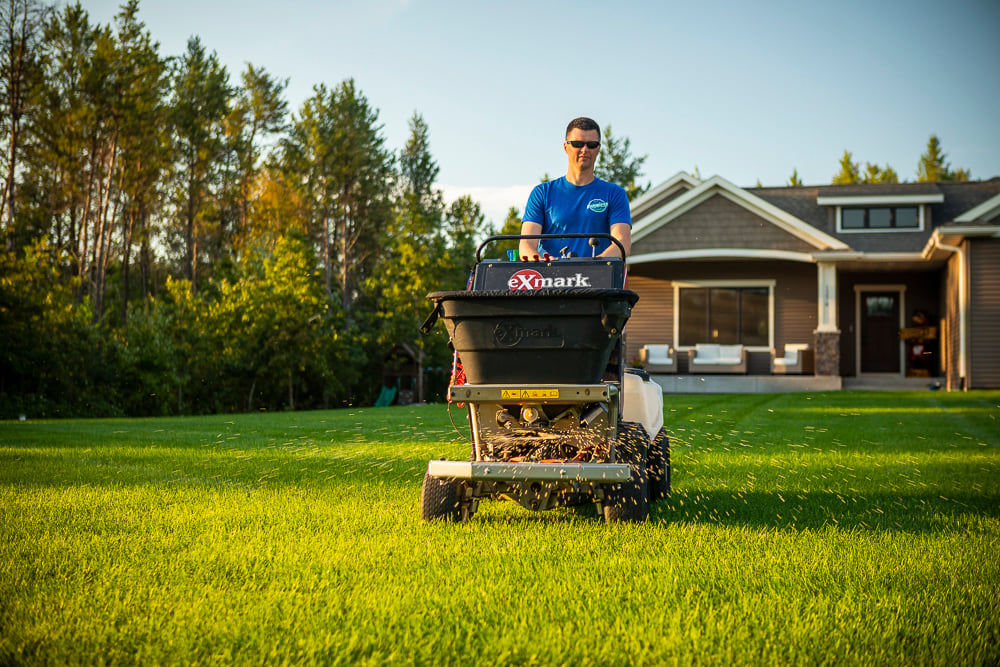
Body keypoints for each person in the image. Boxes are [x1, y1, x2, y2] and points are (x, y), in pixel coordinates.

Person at [519, 117, 632, 260]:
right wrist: (544, 263)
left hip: (598, 279)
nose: (584, 150)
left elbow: (622, 244)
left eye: (591, 144)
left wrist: (592, 266)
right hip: (551, 279)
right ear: (566, 147)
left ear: (598, 149)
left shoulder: (615, 194)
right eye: (578, 144)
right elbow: (526, 245)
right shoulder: (542, 193)